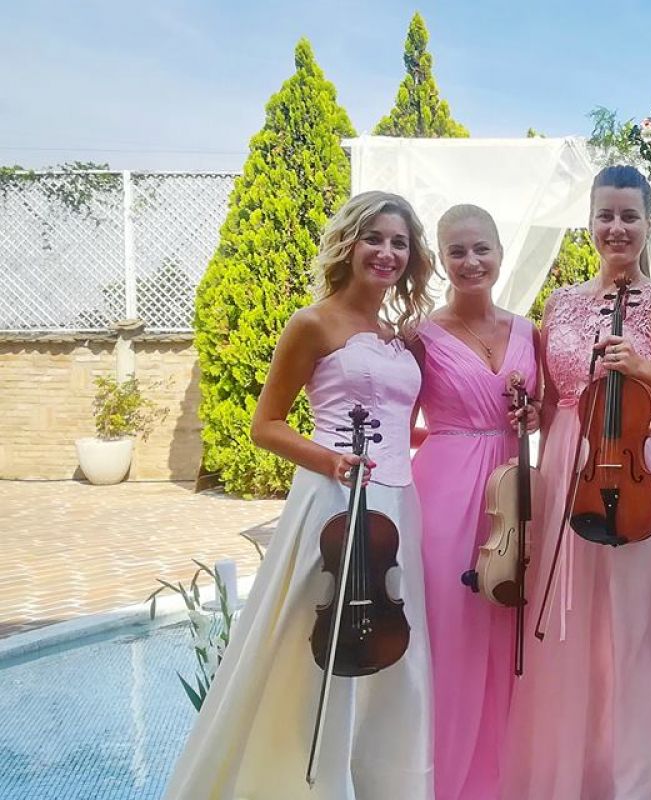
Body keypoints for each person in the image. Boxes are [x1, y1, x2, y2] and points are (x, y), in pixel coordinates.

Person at [163, 191, 437, 800]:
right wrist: (331, 460)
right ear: (349, 244)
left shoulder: (402, 338)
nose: (387, 252)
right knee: (311, 646)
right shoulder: (312, 323)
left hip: (399, 505)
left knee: (395, 646)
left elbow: (400, 426)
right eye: (374, 238)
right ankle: (303, 783)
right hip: (333, 501)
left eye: (399, 243)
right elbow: (266, 425)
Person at [500, 166, 651, 800]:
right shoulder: (559, 303)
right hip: (570, 464)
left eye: (629, 216)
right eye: (606, 215)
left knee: (640, 628)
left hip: (641, 466)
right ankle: (581, 776)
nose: (617, 228)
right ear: (589, 222)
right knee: (573, 632)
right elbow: (557, 397)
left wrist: (641, 368)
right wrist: (533, 415)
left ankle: (643, 783)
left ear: (647, 224)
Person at [409, 204, 539, 800]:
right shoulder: (419, 337)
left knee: (511, 621)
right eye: (457, 251)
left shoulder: (528, 330)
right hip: (444, 490)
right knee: (452, 628)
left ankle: (507, 776)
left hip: (513, 488)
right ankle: (445, 780)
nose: (471, 261)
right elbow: (397, 420)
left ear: (500, 253)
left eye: (481, 248)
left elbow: (550, 408)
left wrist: (533, 414)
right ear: (440, 260)